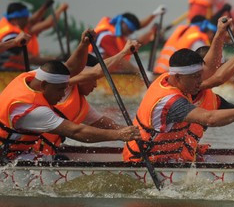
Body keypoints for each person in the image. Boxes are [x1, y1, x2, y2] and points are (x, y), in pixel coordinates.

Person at [122, 48, 234, 163]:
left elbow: (211, 69)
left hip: (169, 159)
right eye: (195, 78)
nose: (201, 82)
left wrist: (220, 33)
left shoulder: (170, 78)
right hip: (142, 162)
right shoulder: (171, 101)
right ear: (178, 77)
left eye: (200, 76)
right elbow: (209, 118)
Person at [0, 58, 139, 162]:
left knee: (62, 158)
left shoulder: (34, 78)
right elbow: (76, 132)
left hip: (29, 151)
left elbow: (101, 122)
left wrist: (130, 131)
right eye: (61, 90)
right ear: (44, 86)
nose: (62, 94)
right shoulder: (32, 110)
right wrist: (119, 135)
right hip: (10, 158)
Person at [39, 37, 142, 156]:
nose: (95, 85)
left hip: (46, 154)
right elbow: (96, 71)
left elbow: (107, 125)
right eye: (94, 80)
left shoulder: (81, 106)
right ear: (84, 75)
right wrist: (123, 53)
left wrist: (135, 132)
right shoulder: (63, 86)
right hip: (30, 154)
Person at [0, 0, 68, 69]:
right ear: (16, 18)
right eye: (26, 18)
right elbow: (30, 58)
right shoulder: (10, 35)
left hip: (16, 70)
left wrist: (44, 7)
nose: (28, 21)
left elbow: (33, 20)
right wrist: (58, 60)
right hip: (7, 71)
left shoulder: (11, 24)